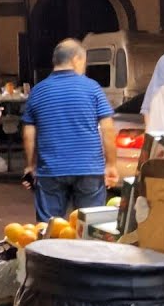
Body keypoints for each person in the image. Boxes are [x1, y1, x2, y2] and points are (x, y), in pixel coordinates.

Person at [22, 39, 118, 223]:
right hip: (89, 169)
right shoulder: (92, 88)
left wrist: (30, 165)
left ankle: (47, 252)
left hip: (50, 170)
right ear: (76, 59)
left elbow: (29, 134)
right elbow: (107, 129)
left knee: (48, 228)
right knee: (90, 227)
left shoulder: (38, 91)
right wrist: (111, 164)